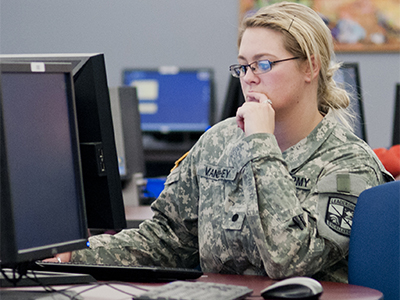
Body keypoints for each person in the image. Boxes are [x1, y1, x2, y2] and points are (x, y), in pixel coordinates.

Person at [49, 2, 392, 283]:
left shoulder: (348, 164)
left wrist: (260, 142)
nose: (250, 77)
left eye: (265, 64)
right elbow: (164, 240)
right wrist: (72, 255)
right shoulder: (218, 142)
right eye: (242, 66)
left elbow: (291, 262)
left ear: (310, 67)